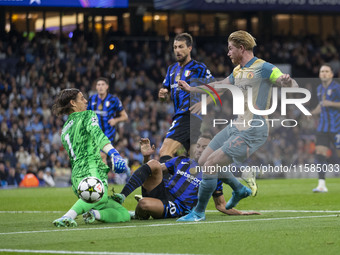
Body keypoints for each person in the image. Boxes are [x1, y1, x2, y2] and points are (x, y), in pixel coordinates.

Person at [177, 30, 298, 222]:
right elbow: (219, 85)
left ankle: (198, 213)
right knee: (202, 162)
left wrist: (288, 81)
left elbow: (289, 84)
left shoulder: (264, 67)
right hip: (237, 125)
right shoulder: (237, 71)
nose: (228, 53)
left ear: (241, 48)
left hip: (253, 129)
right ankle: (239, 188)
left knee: (210, 166)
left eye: (230, 49)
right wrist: (192, 88)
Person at [113, 135, 259, 219]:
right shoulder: (181, 160)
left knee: (144, 204)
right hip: (163, 192)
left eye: (205, 147)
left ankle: (139, 214)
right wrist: (146, 158)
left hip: (178, 206)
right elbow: (152, 171)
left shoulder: (215, 173)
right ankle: (123, 197)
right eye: (199, 146)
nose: (201, 149)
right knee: (154, 163)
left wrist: (241, 213)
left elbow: (220, 205)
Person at [52, 88, 130, 227]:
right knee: (100, 196)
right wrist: (114, 153)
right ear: (73, 103)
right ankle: (67, 216)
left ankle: (94, 214)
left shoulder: (64, 129)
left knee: (123, 214)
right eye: (82, 98)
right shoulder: (87, 115)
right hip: (90, 170)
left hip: (76, 177)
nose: (86, 101)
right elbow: (97, 135)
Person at [158, 33, 215, 163]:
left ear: (189, 48)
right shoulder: (171, 70)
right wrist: (162, 95)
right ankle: (220, 181)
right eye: (175, 47)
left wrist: (203, 104)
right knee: (195, 160)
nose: (177, 50)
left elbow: (218, 89)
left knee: (165, 151)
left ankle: (166, 183)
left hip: (188, 115)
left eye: (181, 47)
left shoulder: (198, 68)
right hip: (180, 115)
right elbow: (165, 97)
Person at [310, 64, 340, 192]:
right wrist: (312, 113)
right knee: (320, 154)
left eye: (327, 71)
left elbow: (329, 104)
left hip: (337, 127)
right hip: (322, 127)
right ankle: (321, 185)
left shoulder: (337, 88)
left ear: (332, 74)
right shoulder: (319, 89)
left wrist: (331, 103)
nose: (324, 73)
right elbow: (321, 106)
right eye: (322, 71)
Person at [87, 77, 128, 162]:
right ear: (96, 87)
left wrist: (115, 120)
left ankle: (102, 175)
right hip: (94, 132)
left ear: (107, 87)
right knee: (94, 157)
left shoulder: (114, 100)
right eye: (98, 85)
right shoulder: (91, 99)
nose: (100, 87)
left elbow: (125, 116)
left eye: (103, 84)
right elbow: (86, 115)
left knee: (102, 155)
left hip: (108, 133)